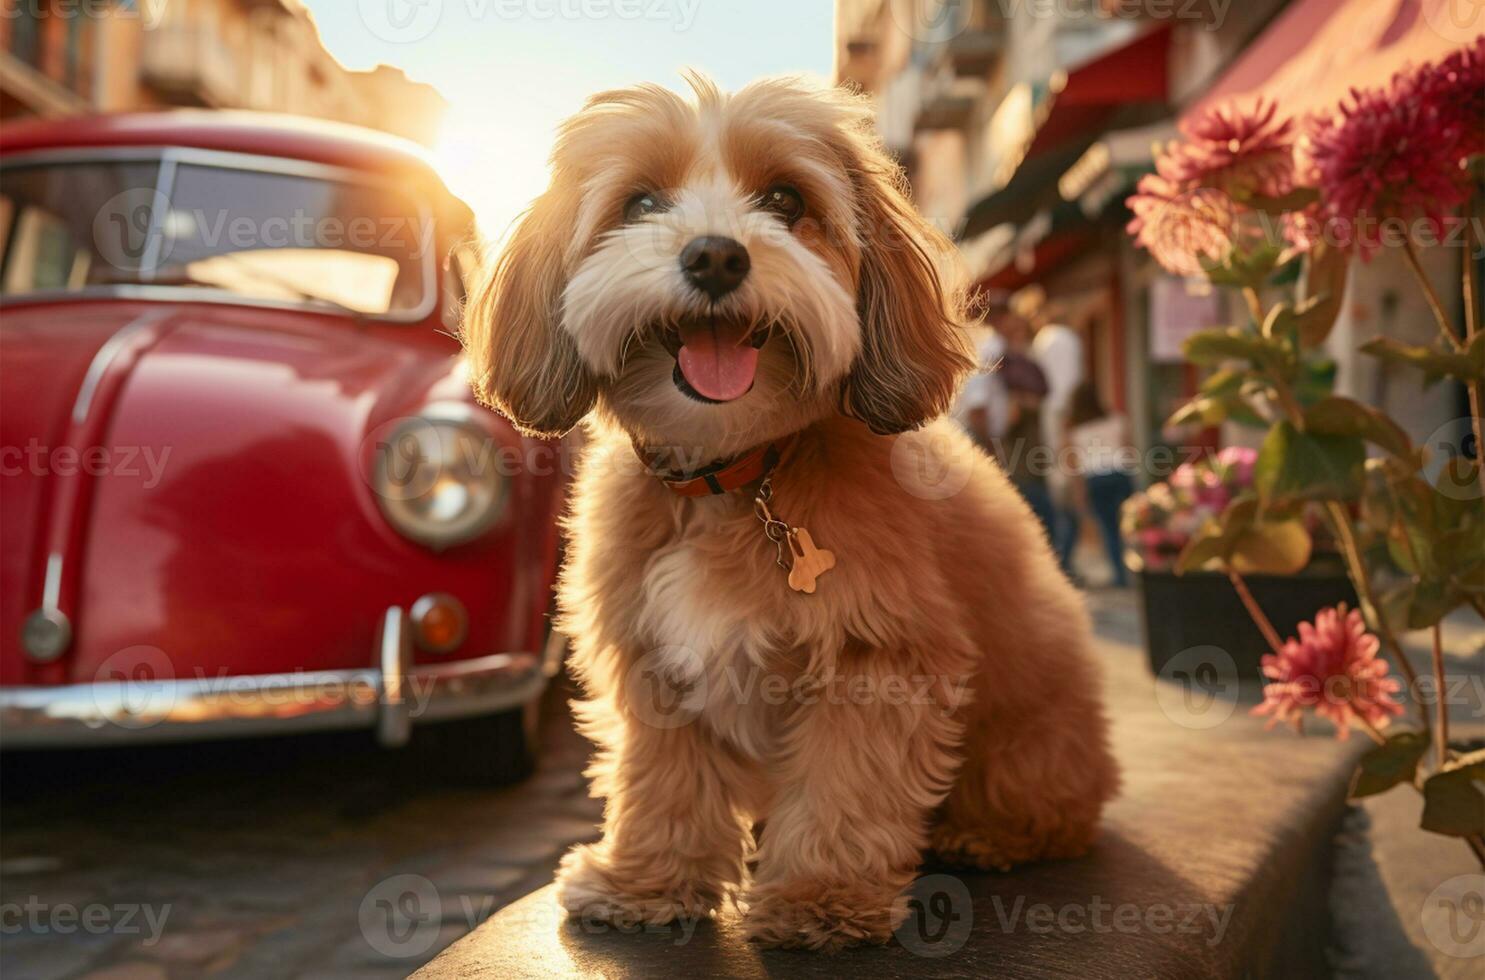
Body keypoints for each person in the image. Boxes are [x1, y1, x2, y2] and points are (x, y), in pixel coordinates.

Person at [1067, 381, 1137, 587]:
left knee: (1110, 530)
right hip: (1120, 475)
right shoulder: (1116, 421)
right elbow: (1129, 449)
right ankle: (1137, 569)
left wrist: (1079, 495)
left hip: (1096, 480)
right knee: (1130, 525)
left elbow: (1075, 467)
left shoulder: (1075, 431)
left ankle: (1121, 576)